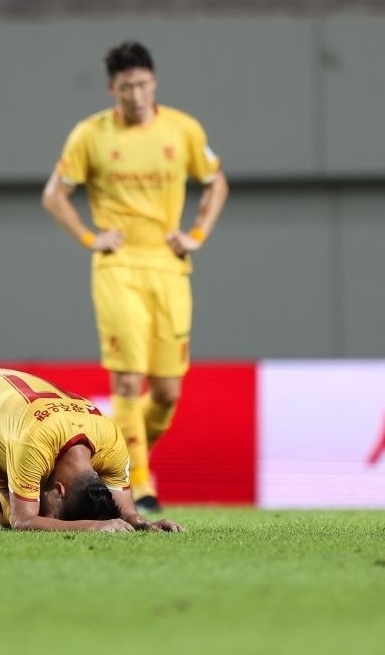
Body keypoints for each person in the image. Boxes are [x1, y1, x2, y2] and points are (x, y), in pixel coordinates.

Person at [40, 41, 229, 514]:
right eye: (126, 87)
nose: (136, 94)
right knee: (126, 383)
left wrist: (198, 233)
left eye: (142, 84)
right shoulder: (91, 135)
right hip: (118, 269)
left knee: (166, 393)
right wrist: (90, 237)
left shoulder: (182, 129)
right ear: (112, 89)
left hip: (168, 269)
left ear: (154, 82)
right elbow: (54, 194)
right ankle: (139, 485)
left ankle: (122, 451)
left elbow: (215, 182)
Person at [0, 366, 184, 533]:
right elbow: (23, 521)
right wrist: (91, 526)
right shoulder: (34, 445)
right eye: (56, 509)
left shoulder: (112, 442)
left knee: (7, 505)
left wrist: (145, 524)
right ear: (60, 490)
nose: (50, 513)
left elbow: (128, 511)